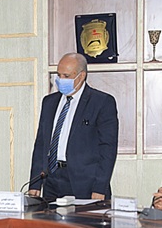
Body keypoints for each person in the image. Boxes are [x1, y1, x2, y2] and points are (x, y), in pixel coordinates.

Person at [28, 52, 118, 200]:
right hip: (52, 180)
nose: (60, 80)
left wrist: (99, 188)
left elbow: (108, 149)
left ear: (81, 76)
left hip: (85, 183)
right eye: (58, 75)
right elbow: (41, 144)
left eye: (66, 76)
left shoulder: (102, 102)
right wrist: (35, 183)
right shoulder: (49, 102)